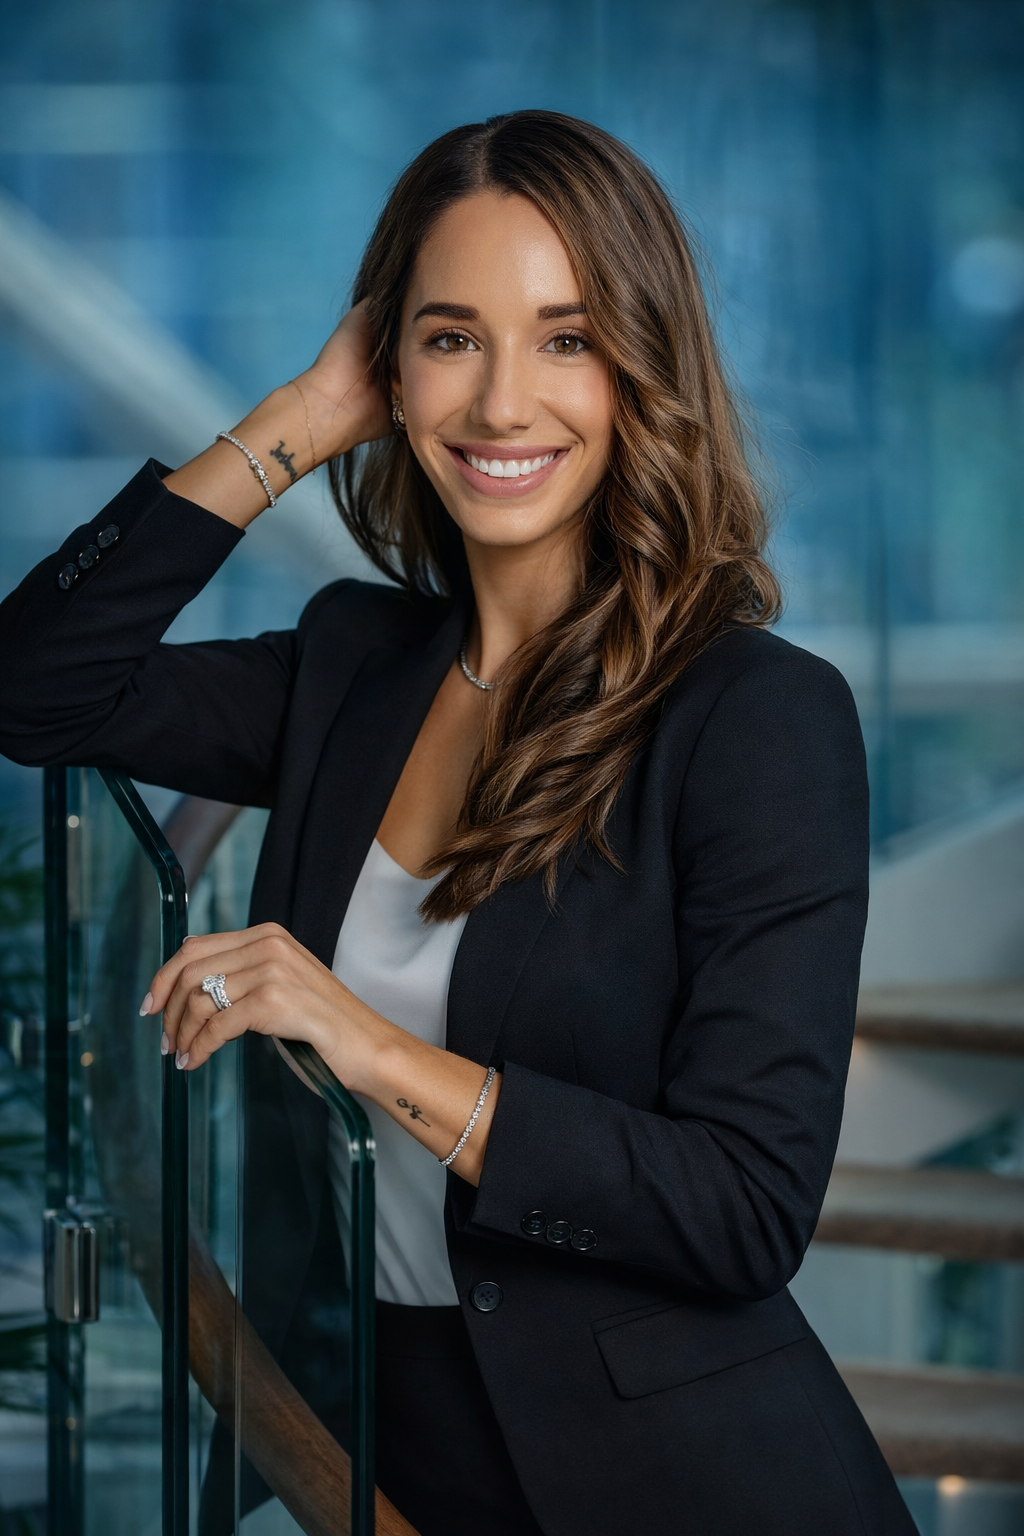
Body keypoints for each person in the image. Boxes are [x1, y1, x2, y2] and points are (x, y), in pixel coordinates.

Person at [0, 111, 915, 1535]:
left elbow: (746, 1204)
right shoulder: (354, 665)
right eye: (449, 339)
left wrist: (373, 1050)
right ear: (392, 368)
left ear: (641, 369)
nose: (501, 404)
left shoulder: (756, 719)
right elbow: (35, 689)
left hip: (683, 1484)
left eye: (566, 338)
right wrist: (297, 421)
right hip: (391, 1431)